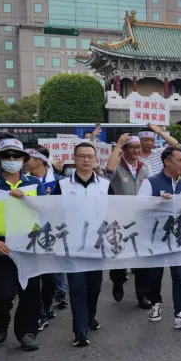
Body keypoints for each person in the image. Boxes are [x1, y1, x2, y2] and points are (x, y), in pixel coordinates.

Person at [0, 137, 47, 351]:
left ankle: (26, 333)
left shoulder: (34, 183)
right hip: (2, 246)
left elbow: (44, 210)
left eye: (16, 156)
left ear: (24, 159)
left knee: (30, 293)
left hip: (29, 244)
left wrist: (26, 199)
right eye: (6, 156)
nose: (11, 159)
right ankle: (1, 324)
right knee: (1, 295)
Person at [54, 142, 113, 347]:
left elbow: (115, 211)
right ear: (74, 158)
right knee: (77, 287)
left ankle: (90, 316)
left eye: (90, 156)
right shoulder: (62, 185)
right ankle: (80, 331)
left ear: (95, 159)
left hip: (98, 244)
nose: (86, 160)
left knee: (94, 287)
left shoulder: (105, 185)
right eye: (81, 156)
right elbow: (53, 212)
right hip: (73, 245)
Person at [137, 147, 181, 329]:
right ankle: (156, 302)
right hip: (156, 238)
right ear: (167, 161)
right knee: (154, 275)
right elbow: (137, 206)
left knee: (179, 275)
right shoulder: (151, 183)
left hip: (178, 238)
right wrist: (157, 202)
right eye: (179, 160)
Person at [105, 134, 151, 307]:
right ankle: (117, 281)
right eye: (132, 147)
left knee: (141, 258)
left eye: (138, 147)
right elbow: (109, 170)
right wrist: (118, 144)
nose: (137, 150)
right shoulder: (117, 165)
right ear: (124, 150)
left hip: (140, 219)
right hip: (119, 218)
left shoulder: (145, 167)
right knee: (119, 254)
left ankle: (142, 295)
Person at [24, 145, 67, 326]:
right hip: (30, 234)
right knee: (35, 277)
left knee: (51, 277)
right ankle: (39, 313)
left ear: (39, 160)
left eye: (28, 159)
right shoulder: (23, 182)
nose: (24, 162)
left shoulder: (61, 181)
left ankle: (47, 305)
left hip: (54, 234)